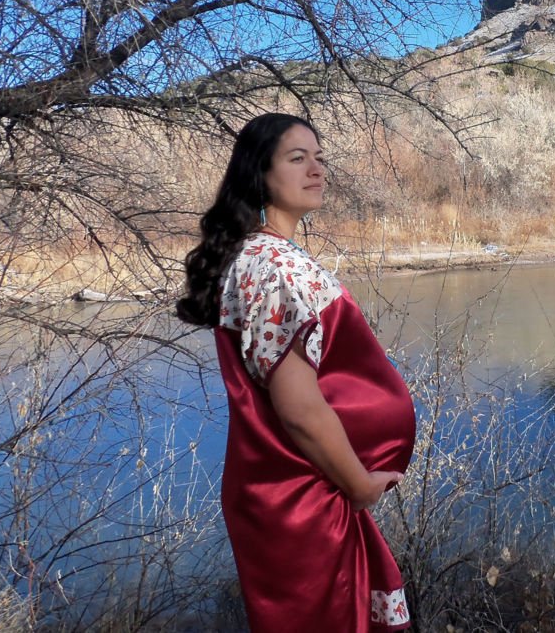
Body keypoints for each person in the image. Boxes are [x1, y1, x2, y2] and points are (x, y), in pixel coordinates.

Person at [176, 113, 414, 632]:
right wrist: (360, 485)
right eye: (297, 157)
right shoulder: (274, 265)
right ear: (259, 173)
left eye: (320, 157)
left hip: (292, 488)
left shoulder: (261, 255)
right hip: (301, 493)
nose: (317, 169)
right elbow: (299, 407)